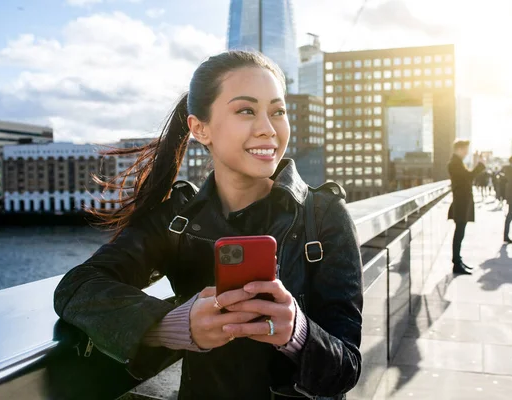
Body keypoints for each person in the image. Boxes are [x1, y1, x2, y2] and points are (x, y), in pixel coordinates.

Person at [53, 51, 363, 399]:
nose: (268, 128)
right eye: (246, 110)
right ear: (200, 128)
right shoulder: (177, 220)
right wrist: (173, 326)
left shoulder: (324, 216)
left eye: (277, 111)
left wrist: (297, 333)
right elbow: (77, 288)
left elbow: (347, 367)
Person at [447, 140, 485, 275]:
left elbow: (467, 178)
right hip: (461, 202)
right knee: (459, 233)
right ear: (459, 149)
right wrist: (480, 165)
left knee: (460, 233)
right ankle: (456, 264)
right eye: (465, 149)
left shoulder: (457, 163)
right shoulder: (454, 164)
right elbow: (468, 178)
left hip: (462, 202)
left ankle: (458, 261)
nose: (467, 152)